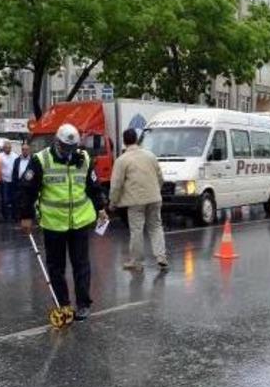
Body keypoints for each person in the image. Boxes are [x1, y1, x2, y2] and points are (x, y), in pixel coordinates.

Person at [19, 124, 107, 321]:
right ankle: (64, 304)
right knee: (56, 267)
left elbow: (93, 186)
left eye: (72, 147)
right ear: (56, 142)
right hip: (53, 223)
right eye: (65, 147)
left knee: (81, 264)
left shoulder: (83, 158)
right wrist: (26, 217)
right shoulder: (41, 160)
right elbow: (27, 190)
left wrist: (100, 208)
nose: (69, 151)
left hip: (80, 221)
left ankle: (83, 304)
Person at [109, 128, 168, 272]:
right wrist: (156, 190)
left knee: (137, 230)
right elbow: (160, 177)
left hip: (135, 201)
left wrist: (113, 202)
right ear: (137, 139)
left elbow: (117, 184)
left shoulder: (122, 160)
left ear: (124, 141)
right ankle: (161, 257)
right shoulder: (150, 156)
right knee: (155, 227)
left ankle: (136, 262)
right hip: (154, 197)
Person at [0, 141, 19, 221]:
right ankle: (5, 216)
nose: (8, 149)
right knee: (5, 199)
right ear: (3, 148)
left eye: (9, 147)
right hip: (4, 181)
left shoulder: (15, 156)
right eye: (6, 147)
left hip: (13, 181)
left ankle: (14, 216)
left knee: (14, 199)